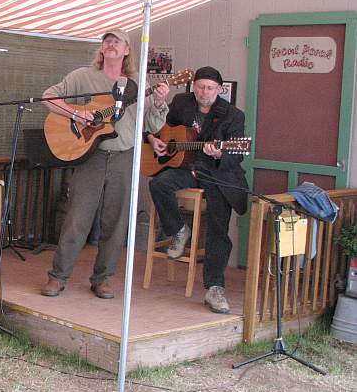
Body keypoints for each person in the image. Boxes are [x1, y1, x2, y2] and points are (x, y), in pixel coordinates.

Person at [40, 28, 170, 299]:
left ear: (126, 50)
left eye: (117, 41)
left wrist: (158, 103)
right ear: (101, 49)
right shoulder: (83, 76)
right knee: (77, 218)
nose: (110, 44)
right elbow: (48, 97)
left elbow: (151, 125)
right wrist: (77, 113)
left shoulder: (137, 83)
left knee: (117, 221)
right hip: (91, 158)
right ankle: (58, 276)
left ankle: (103, 278)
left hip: (124, 157)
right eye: (106, 41)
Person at [146, 66, 248, 313]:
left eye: (210, 88)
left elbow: (237, 158)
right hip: (186, 168)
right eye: (200, 86)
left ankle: (214, 288)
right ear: (193, 87)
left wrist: (221, 152)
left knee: (217, 225)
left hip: (216, 174)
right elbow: (162, 128)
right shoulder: (182, 103)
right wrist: (152, 138)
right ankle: (179, 230)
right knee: (158, 183)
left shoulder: (233, 115)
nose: (204, 92)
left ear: (219, 90)